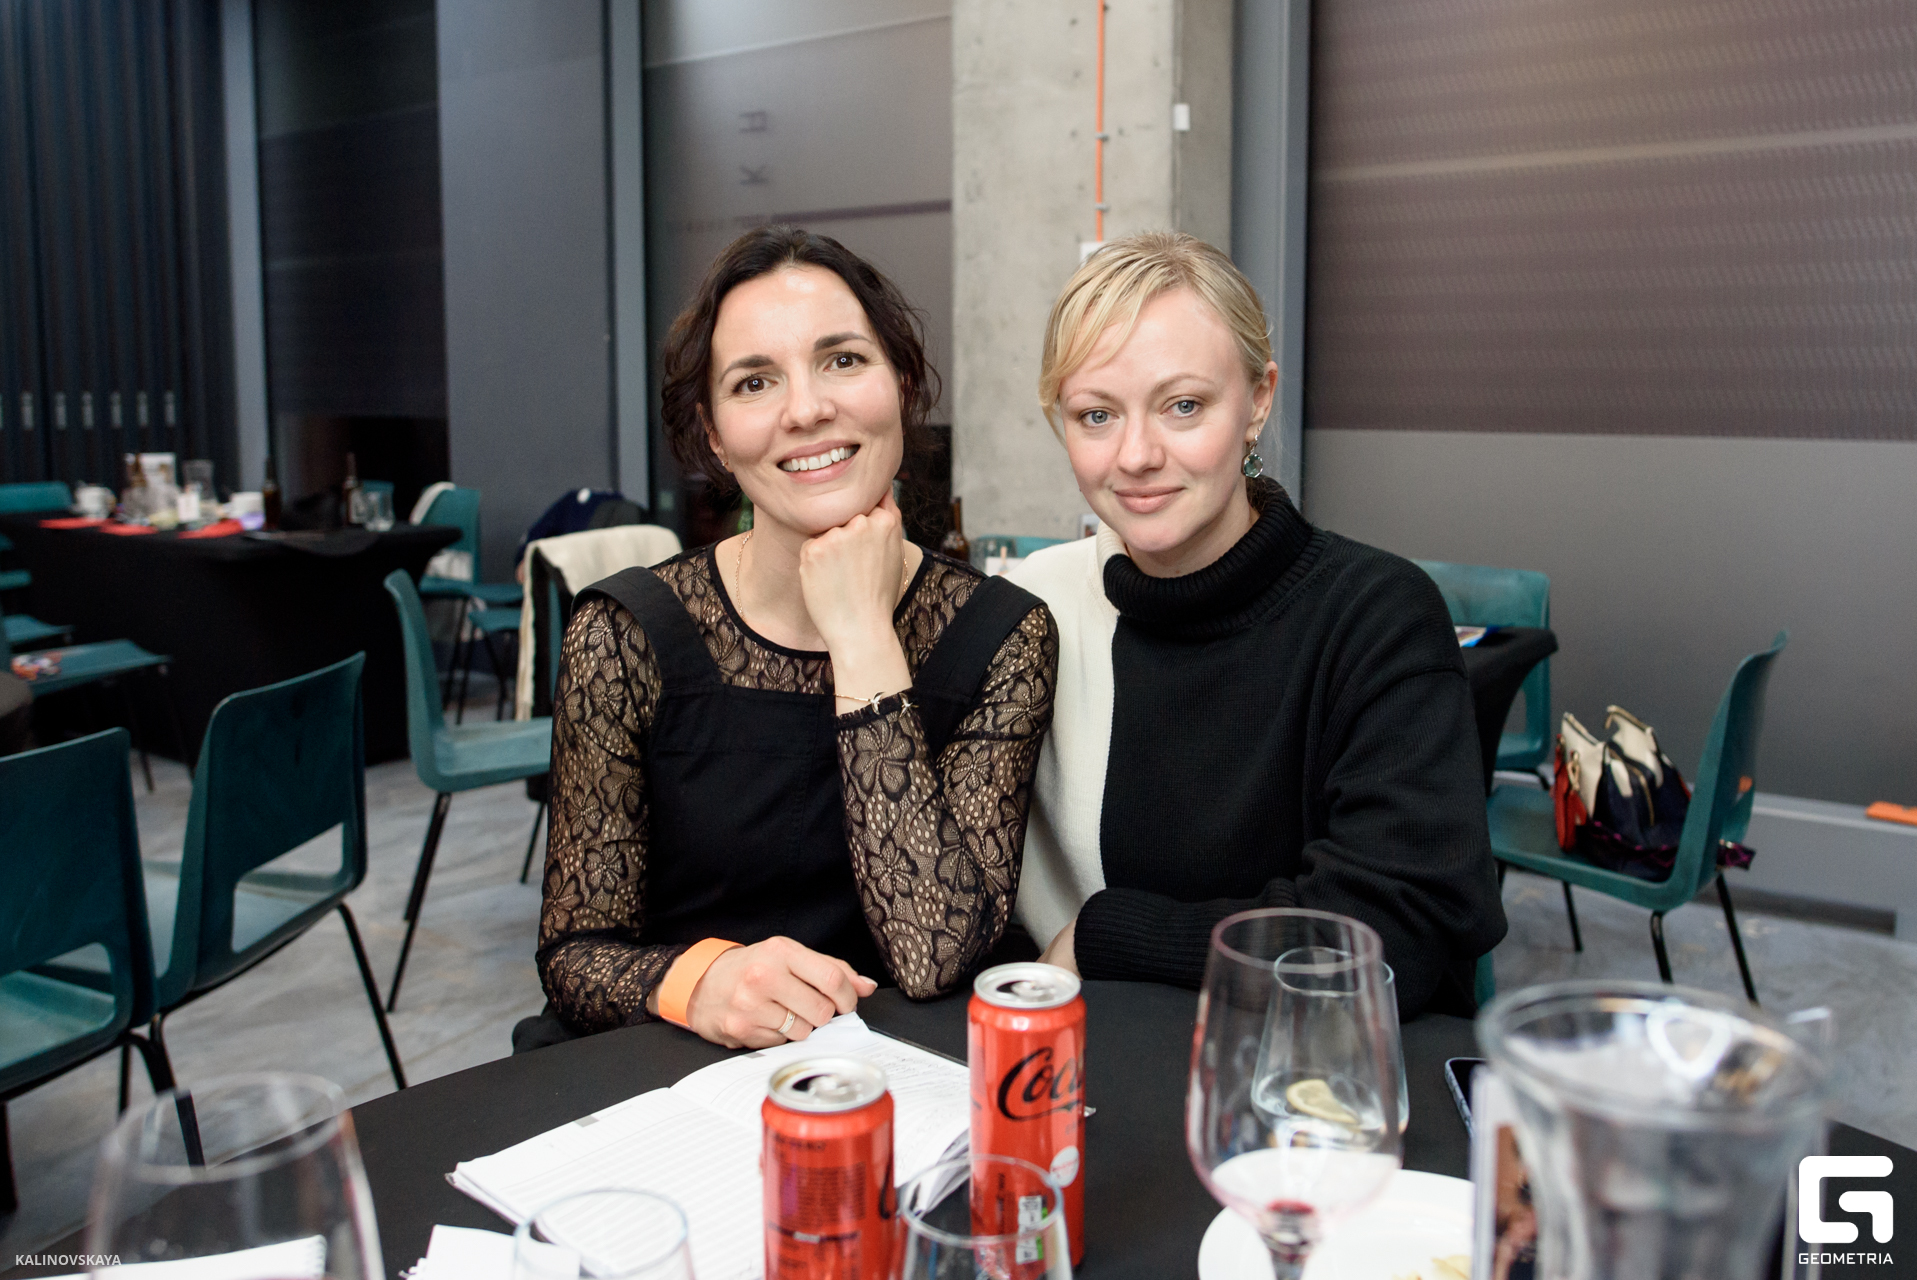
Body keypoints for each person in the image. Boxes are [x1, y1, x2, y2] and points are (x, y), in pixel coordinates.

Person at [526, 225, 1058, 1052]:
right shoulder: (626, 634)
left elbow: (933, 955)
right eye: (754, 382)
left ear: (902, 383)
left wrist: (861, 635)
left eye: (842, 359)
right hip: (670, 1066)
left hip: (903, 1074)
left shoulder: (1002, 635)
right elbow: (573, 954)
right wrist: (698, 982)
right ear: (713, 434)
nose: (805, 409)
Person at [1006, 232, 1504, 1018]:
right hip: (1098, 1061)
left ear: (1258, 399)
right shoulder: (1033, 604)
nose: (1135, 455)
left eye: (1183, 406)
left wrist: (1108, 937)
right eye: (1096, 415)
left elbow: (1394, 937)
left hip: (1313, 1070)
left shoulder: (1375, 616)